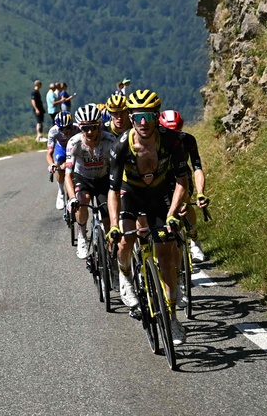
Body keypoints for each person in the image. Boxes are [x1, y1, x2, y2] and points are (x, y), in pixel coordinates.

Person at [106, 88, 191, 345]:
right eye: (138, 116)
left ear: (156, 116)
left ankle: (172, 316)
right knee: (125, 241)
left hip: (159, 195)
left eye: (149, 116)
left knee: (166, 256)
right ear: (131, 118)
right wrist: (113, 225)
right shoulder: (121, 146)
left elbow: (182, 181)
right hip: (130, 193)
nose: (144, 122)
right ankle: (125, 274)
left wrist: (174, 214)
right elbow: (112, 191)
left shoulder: (171, 141)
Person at [159, 110, 208, 263]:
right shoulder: (155, 140)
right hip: (162, 178)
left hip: (182, 176)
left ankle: (194, 241)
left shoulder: (188, 140)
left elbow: (197, 167)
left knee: (185, 201)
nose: (175, 136)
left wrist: (200, 193)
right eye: (170, 132)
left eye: (178, 132)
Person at [64, 104, 112, 260]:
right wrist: (72, 199)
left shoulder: (110, 140)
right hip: (82, 178)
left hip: (103, 178)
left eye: (93, 127)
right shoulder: (74, 143)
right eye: (85, 128)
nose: (90, 132)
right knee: (82, 200)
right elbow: (68, 175)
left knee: (108, 218)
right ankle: (82, 235)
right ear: (80, 128)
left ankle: (111, 255)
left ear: (99, 125)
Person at [46, 112, 77, 210]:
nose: (65, 131)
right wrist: (52, 165)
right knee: (59, 165)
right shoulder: (53, 131)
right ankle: (61, 192)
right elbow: (49, 153)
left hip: (75, 149)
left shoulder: (77, 129)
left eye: (68, 128)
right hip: (62, 149)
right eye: (62, 129)